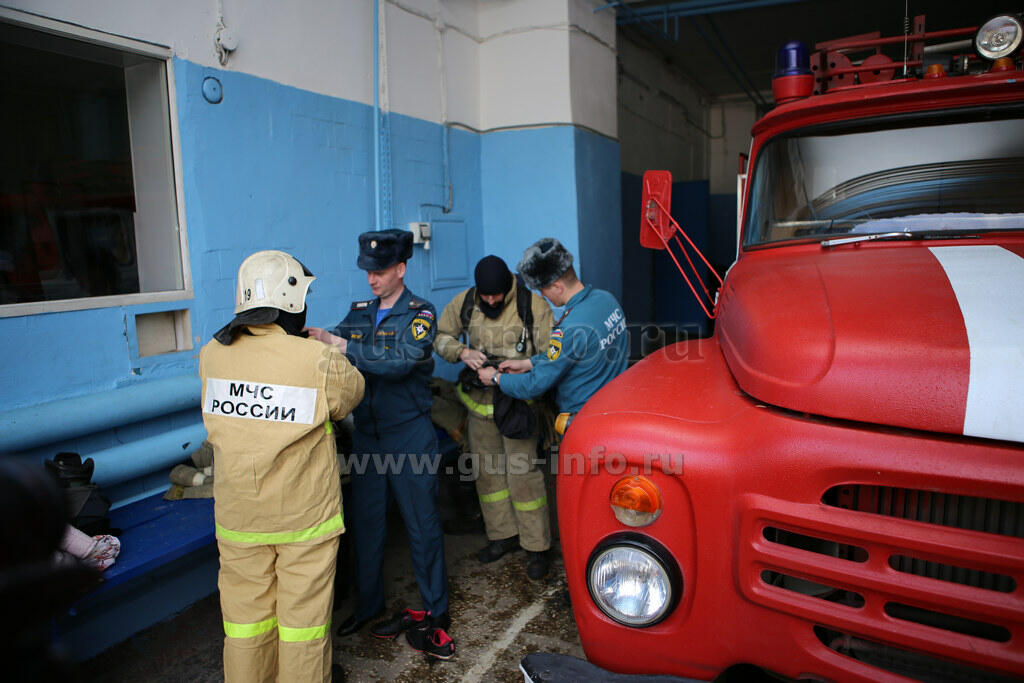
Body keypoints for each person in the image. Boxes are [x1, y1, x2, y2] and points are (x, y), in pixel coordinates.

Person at [199, 250, 365, 683]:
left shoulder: (211, 354)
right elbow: (351, 395)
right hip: (303, 520)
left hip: (239, 518)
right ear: (292, 302)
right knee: (302, 628)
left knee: (245, 625)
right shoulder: (316, 359)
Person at [305, 229, 454, 661]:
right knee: (366, 526)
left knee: (422, 526)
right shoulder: (360, 313)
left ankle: (436, 611)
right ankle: (368, 606)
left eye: (381, 271)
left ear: (401, 269)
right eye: (367, 271)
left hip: (408, 435)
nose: (372, 279)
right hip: (368, 437)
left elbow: (400, 362)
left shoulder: (420, 313)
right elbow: (334, 343)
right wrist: (312, 337)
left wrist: (341, 344)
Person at [434, 255, 554, 579]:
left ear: (508, 286)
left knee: (523, 477)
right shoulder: (465, 302)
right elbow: (439, 336)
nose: (489, 301)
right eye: (484, 296)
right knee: (489, 477)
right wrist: (462, 352)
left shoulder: (533, 306)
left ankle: (537, 546)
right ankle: (503, 536)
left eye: (496, 295)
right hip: (479, 407)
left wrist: (519, 369)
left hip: (518, 406)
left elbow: (550, 357)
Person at [477, 238, 629, 430]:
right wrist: (528, 362)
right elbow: (572, 353)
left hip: (584, 423)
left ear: (557, 287)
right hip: (616, 409)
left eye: (542, 290)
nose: (543, 296)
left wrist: (496, 378)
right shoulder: (607, 299)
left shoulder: (570, 327)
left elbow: (535, 384)